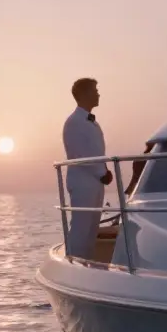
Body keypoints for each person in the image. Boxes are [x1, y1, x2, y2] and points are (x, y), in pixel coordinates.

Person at [62, 77, 112, 259]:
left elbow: (95, 151)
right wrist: (102, 172)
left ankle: (87, 263)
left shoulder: (92, 122)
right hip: (83, 182)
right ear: (84, 94)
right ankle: (73, 262)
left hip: (95, 182)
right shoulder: (74, 122)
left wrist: (103, 172)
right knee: (81, 228)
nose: (98, 94)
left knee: (92, 229)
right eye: (95, 90)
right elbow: (80, 154)